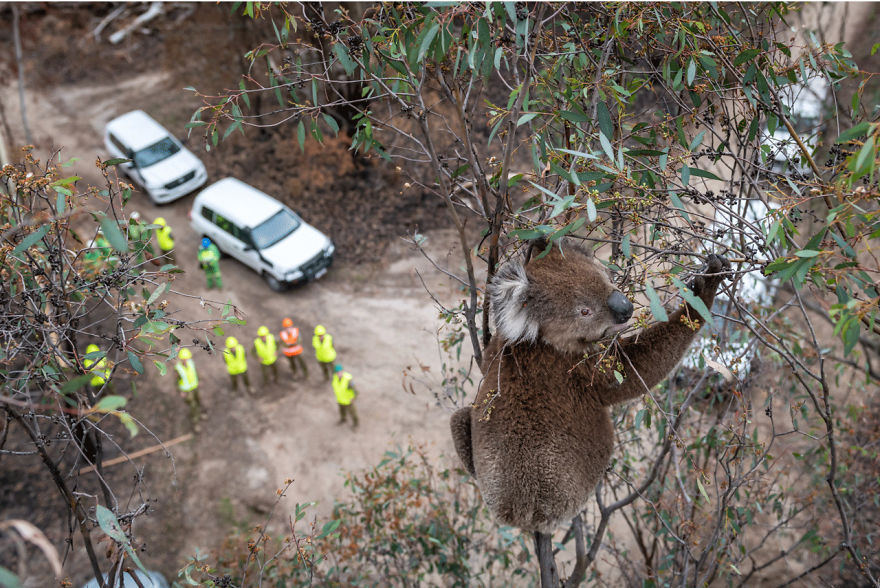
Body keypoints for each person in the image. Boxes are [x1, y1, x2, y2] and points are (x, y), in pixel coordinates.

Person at [175, 348, 202, 432]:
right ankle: (196, 422)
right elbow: (176, 381)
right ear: (181, 359)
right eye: (184, 359)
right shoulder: (177, 368)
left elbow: (196, 372)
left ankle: (202, 413)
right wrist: (180, 391)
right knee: (192, 405)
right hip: (187, 390)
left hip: (195, 387)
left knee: (198, 400)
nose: (186, 360)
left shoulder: (191, 363)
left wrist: (199, 380)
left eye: (187, 358)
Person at [331, 364, 359, 429]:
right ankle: (343, 419)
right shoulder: (335, 378)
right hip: (340, 399)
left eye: (340, 372)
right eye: (337, 372)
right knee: (341, 411)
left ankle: (356, 424)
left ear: (342, 371)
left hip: (348, 401)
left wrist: (353, 398)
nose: (338, 373)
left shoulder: (348, 380)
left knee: (353, 413)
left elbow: (356, 391)